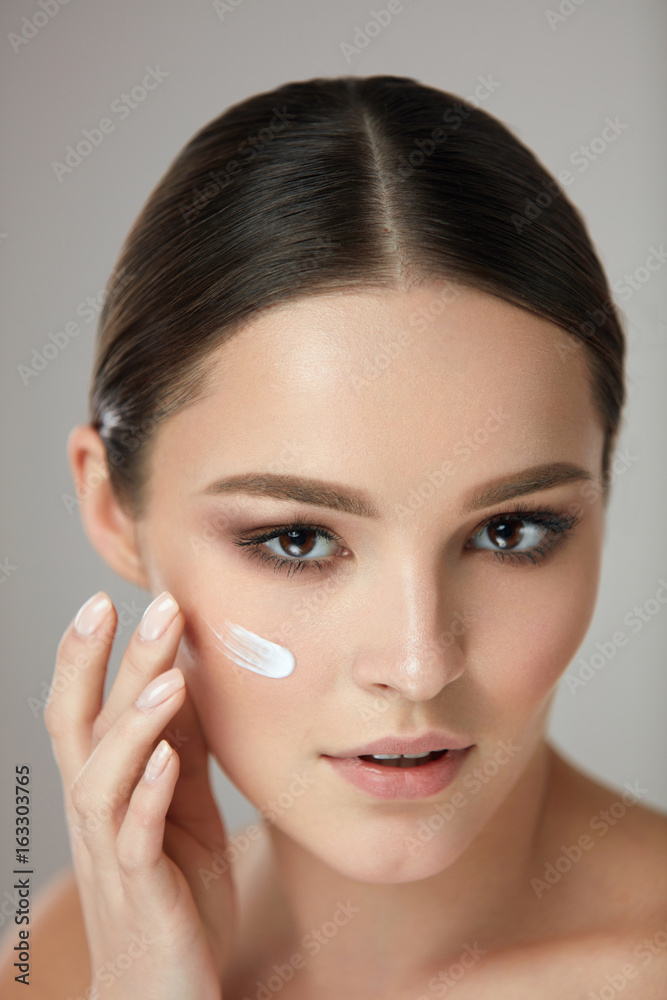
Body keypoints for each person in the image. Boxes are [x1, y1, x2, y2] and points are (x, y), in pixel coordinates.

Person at [1, 74, 665, 999]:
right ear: (115, 509)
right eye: (300, 540)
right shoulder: (62, 964)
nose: (418, 663)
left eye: (509, 530)